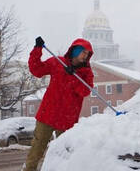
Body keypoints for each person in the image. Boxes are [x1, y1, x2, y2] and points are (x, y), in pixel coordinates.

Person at [22, 36, 94, 171]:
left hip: (68, 119)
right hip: (47, 114)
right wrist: (37, 49)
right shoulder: (58, 62)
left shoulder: (86, 73)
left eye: (87, 54)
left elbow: (85, 91)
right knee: (37, 150)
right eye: (83, 52)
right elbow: (36, 70)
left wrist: (72, 77)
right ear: (75, 50)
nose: (85, 56)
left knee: (65, 155)